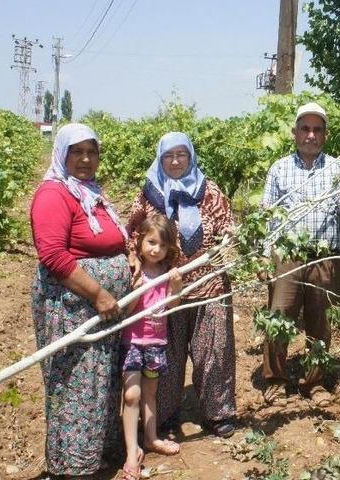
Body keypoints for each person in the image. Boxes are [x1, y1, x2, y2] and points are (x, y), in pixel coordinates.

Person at [30, 123, 131, 477]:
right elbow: (53, 256)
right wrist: (99, 293)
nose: (86, 159)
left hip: (99, 310)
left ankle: (94, 453)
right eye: (77, 152)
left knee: (99, 380)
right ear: (62, 154)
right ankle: (72, 465)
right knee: (75, 382)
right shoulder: (53, 194)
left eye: (92, 152)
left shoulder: (88, 192)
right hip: (73, 307)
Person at [126, 132, 237, 438]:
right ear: (159, 159)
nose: (175, 161)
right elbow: (131, 233)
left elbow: (227, 226)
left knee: (214, 350)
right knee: (166, 352)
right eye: (168, 156)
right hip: (163, 288)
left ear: (191, 157)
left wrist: (228, 240)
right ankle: (164, 415)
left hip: (209, 284)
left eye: (181, 155)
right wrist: (134, 257)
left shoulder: (208, 191)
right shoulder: (149, 194)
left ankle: (218, 412)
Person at [259, 102, 340, 408]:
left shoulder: (339, 168)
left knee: (320, 321)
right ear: (295, 133)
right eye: (305, 129)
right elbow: (268, 216)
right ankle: (275, 380)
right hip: (287, 254)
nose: (311, 135)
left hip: (325, 256)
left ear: (325, 135)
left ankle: (314, 382)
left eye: (317, 130)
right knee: (279, 316)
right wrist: (264, 255)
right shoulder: (279, 169)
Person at [119, 214, 183, 480]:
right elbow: (126, 311)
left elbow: (171, 307)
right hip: (133, 342)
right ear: (140, 241)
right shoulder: (134, 271)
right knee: (131, 395)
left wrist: (175, 288)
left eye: (162, 245)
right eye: (151, 242)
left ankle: (151, 438)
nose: (156, 250)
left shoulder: (167, 274)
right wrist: (137, 290)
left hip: (156, 343)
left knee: (149, 393)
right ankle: (130, 452)